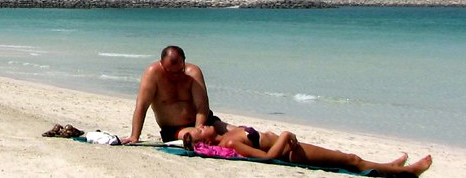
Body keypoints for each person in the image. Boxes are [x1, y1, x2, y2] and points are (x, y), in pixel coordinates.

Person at [180, 124, 432, 175]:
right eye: (199, 130)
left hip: (291, 147)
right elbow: (268, 158)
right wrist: (287, 135)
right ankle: (406, 172)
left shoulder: (226, 132)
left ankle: (392, 167)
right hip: (292, 153)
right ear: (207, 142)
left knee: (349, 159)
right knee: (351, 160)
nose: (201, 126)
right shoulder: (231, 143)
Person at [121, 45, 227, 144]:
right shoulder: (153, 74)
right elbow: (141, 106)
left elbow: (202, 105)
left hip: (204, 123)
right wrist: (135, 136)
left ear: (184, 62)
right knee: (194, 137)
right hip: (174, 130)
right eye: (170, 72)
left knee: (238, 132)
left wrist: (198, 128)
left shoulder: (193, 72)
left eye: (179, 71)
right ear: (161, 63)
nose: (175, 76)